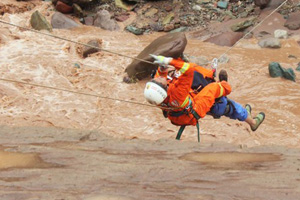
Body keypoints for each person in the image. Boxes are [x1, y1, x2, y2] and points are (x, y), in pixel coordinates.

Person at [144, 54, 265, 140]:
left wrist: (162, 69)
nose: (158, 77)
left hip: (182, 112)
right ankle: (252, 122)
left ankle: (245, 113)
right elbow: (188, 69)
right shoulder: (177, 94)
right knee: (227, 105)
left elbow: (160, 80)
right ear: (164, 89)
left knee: (199, 80)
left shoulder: (159, 98)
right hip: (195, 109)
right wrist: (170, 61)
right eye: (159, 79)